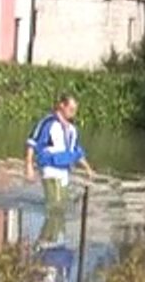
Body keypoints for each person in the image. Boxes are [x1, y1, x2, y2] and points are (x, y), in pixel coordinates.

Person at [25, 94, 96, 245]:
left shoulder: (72, 129)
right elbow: (32, 143)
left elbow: (76, 151)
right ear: (61, 106)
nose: (73, 112)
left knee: (61, 206)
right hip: (50, 168)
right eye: (71, 109)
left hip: (65, 171)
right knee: (56, 208)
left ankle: (55, 239)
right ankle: (45, 242)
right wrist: (29, 167)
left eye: (75, 110)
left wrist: (88, 169)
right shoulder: (47, 123)